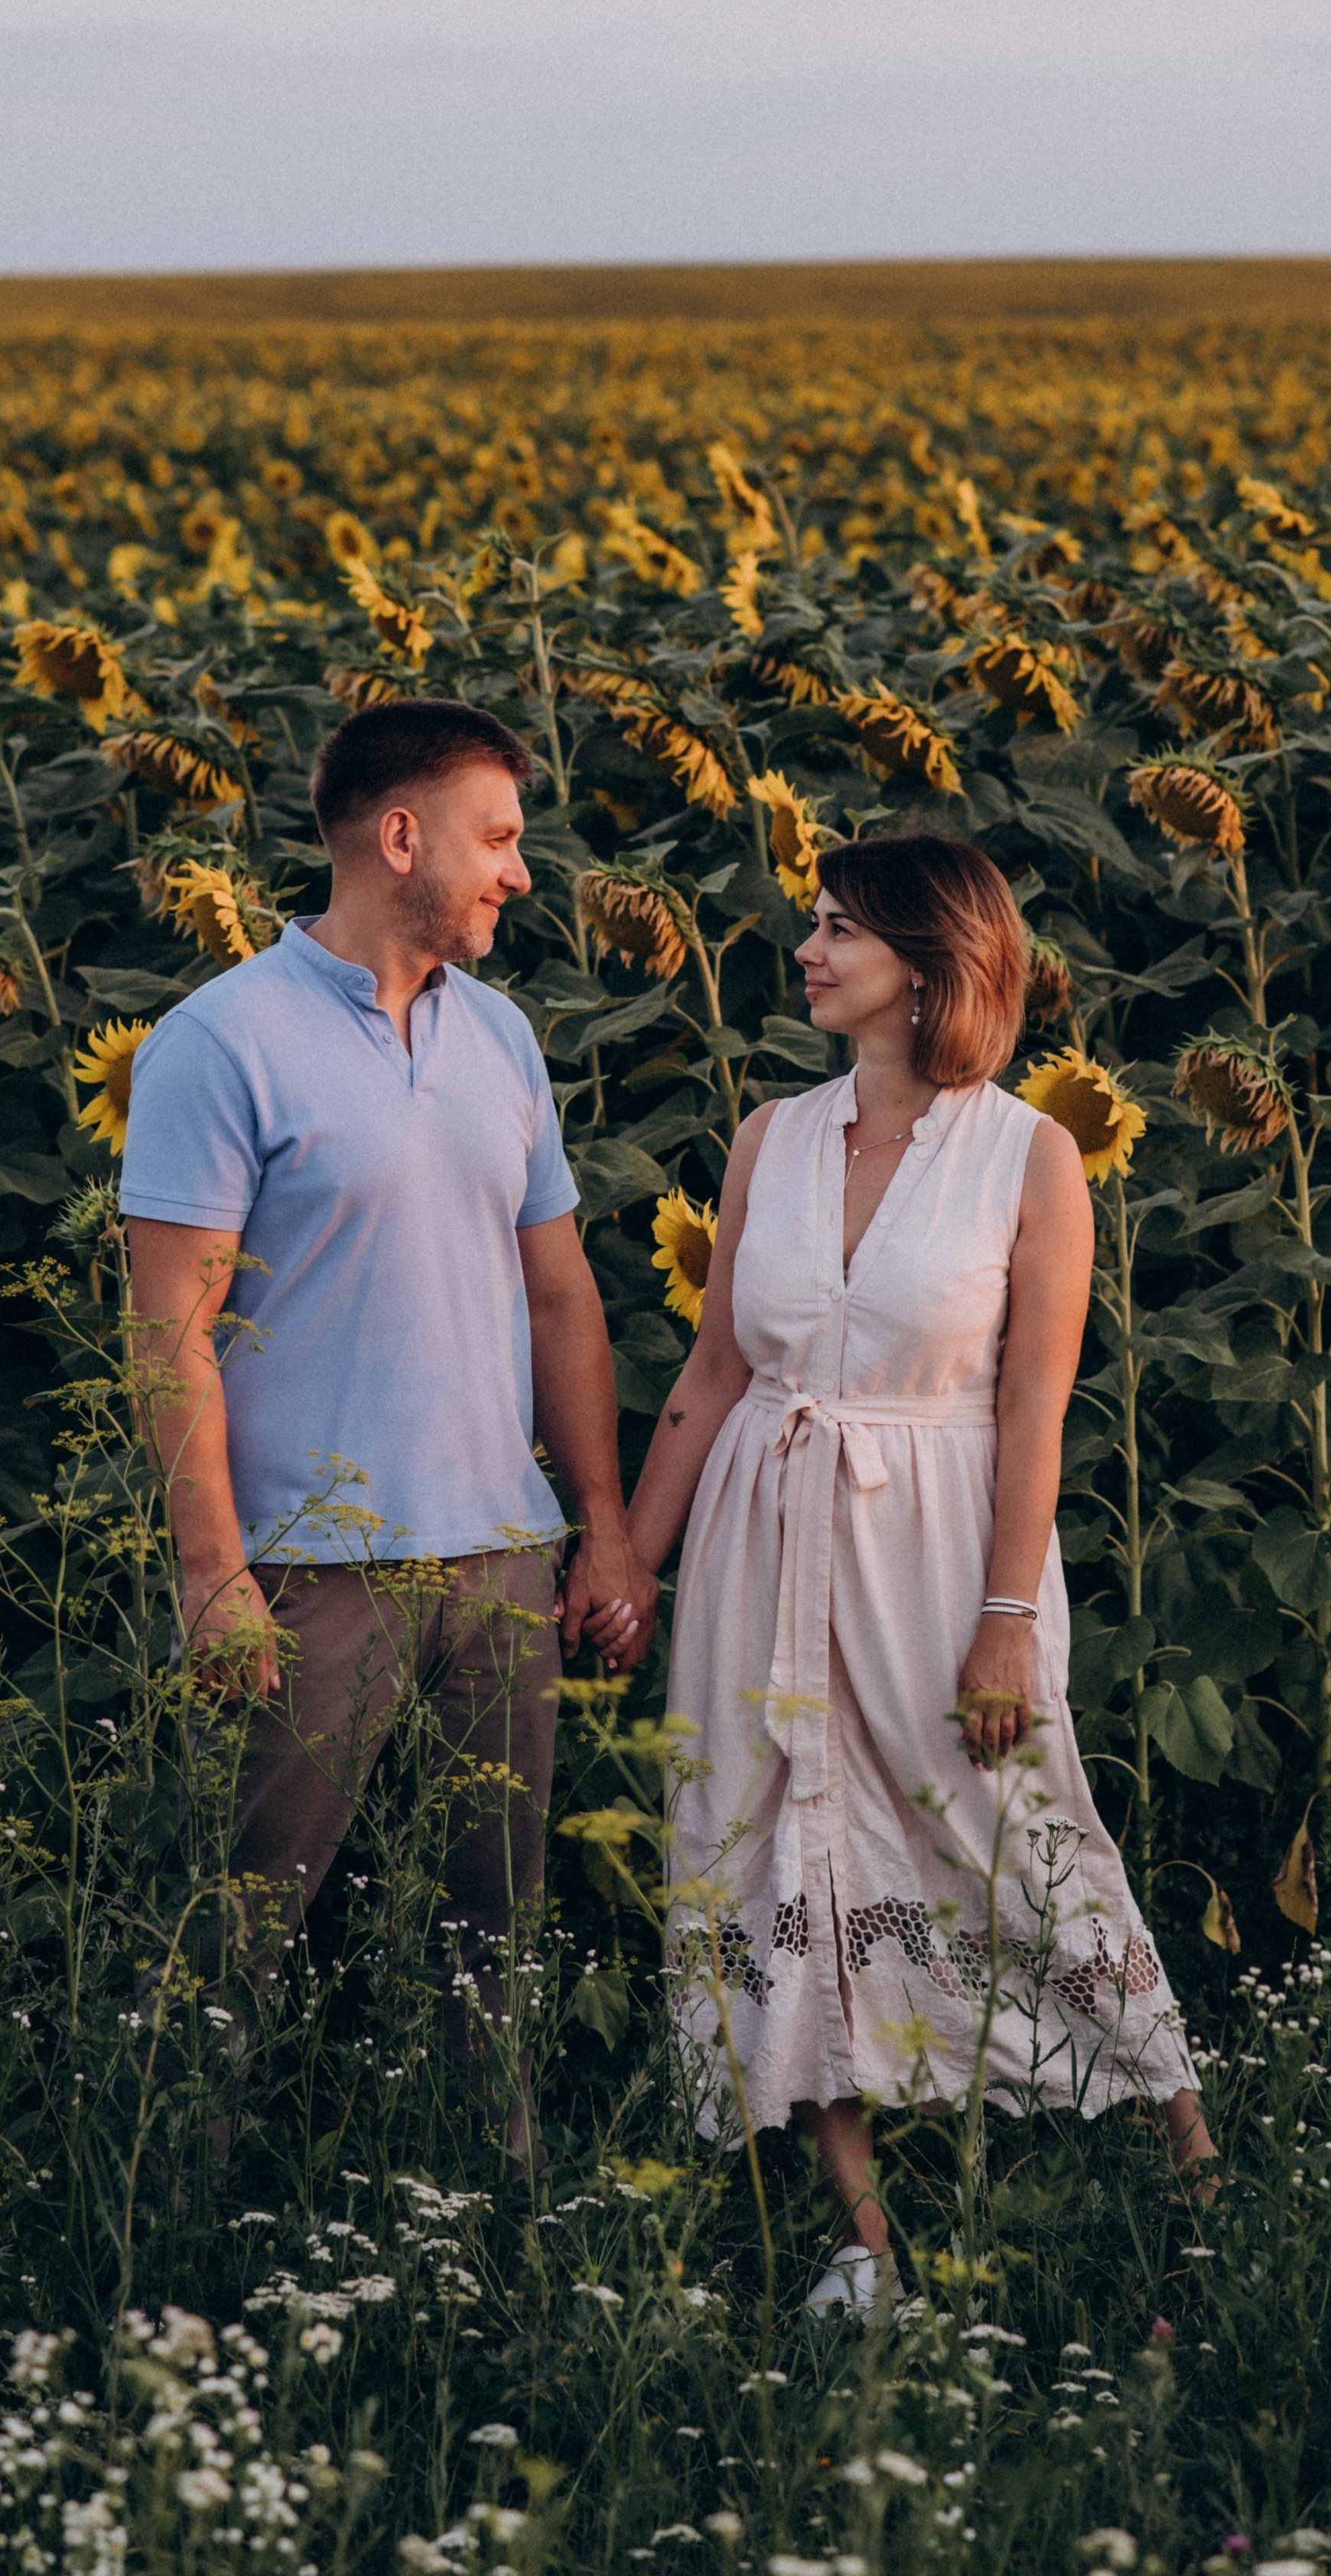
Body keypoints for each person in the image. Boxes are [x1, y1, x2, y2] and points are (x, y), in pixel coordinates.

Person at [627, 832, 1212, 2311]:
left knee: (1018, 1829)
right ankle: (862, 2241)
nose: (810, 952)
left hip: (942, 1546)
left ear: (933, 964)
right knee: (777, 1835)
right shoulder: (771, 1137)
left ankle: (1201, 2179)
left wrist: (1007, 1618)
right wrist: (627, 1564)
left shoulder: (1029, 1156)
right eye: (814, 925)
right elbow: (712, 1373)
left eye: (841, 930)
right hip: (765, 1536)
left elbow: (1035, 1406)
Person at [121, 695, 659, 2155]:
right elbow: (168, 1333)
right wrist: (212, 1571)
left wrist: (604, 1531)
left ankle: (500, 2215)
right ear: (401, 837)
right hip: (310, 1570)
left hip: (500, 1560)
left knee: (498, 1940)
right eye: (499, 839)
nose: (521, 874)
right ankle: (160, 2221)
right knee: (239, 1930)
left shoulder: (503, 1038)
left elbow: (562, 1298)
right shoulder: (219, 1042)